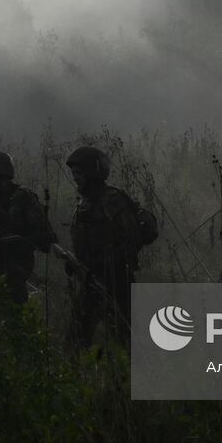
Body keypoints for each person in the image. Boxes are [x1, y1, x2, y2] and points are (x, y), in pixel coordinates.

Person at [65, 145, 144, 346]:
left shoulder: (113, 201)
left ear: (93, 172)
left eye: (80, 172)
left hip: (117, 282)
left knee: (126, 340)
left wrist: (105, 263)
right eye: (74, 173)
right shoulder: (84, 204)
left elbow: (130, 241)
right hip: (90, 281)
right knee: (75, 340)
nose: (75, 177)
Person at [0, 150, 55, 306]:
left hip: (22, 261)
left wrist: (21, 241)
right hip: (2, 261)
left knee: (2, 303)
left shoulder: (22, 196)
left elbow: (45, 235)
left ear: (2, 171)